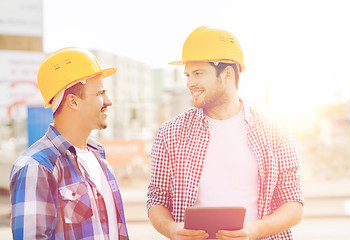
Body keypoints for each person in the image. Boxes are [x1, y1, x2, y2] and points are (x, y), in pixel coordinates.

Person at [147, 26, 304, 240]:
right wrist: (171, 229)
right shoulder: (170, 134)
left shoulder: (276, 131)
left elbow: (293, 203)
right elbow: (157, 199)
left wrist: (255, 230)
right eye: (188, 75)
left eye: (198, 73)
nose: (189, 83)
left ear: (227, 74)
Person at [10, 47, 129, 240]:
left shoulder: (99, 159)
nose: (108, 101)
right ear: (73, 102)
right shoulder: (37, 166)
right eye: (100, 93)